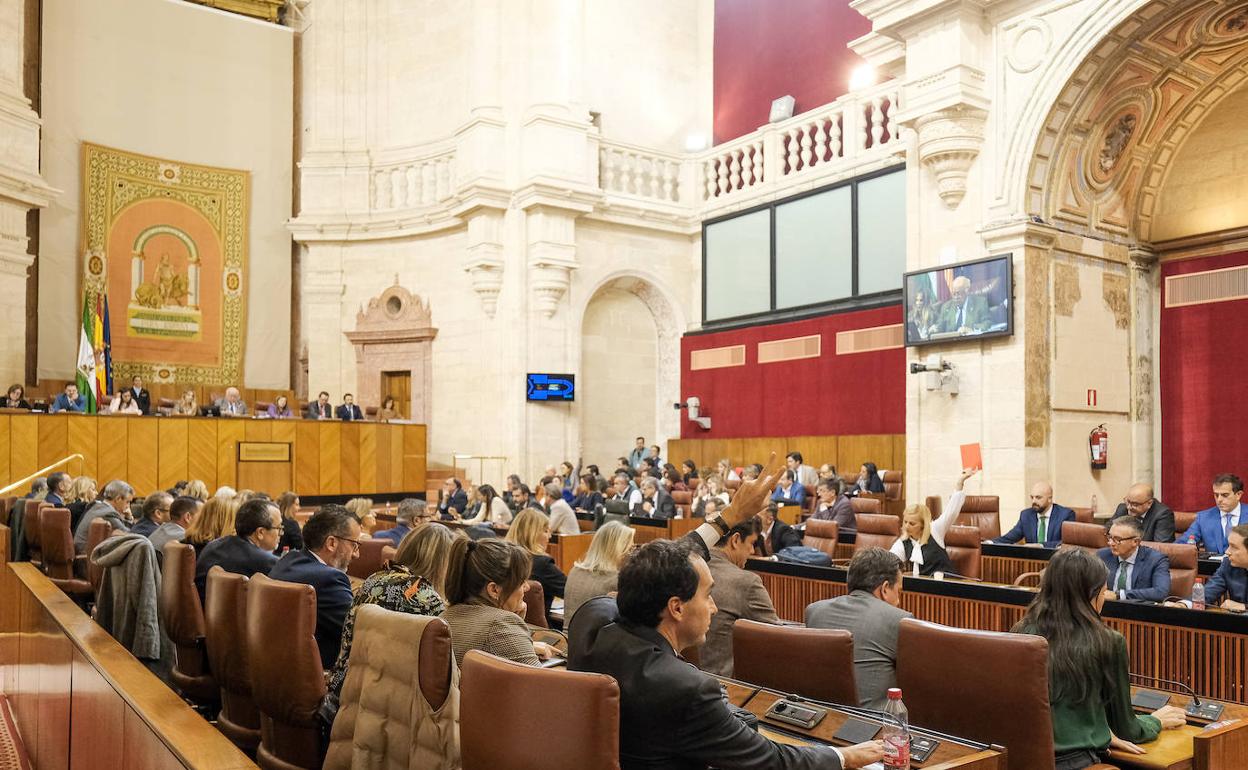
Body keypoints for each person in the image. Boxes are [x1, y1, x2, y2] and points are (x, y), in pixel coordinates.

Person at [568, 541, 884, 769]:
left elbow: (642, 575)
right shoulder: (686, 688)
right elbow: (771, 761)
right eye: (708, 596)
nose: (714, 607)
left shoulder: (591, 620)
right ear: (676, 607)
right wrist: (845, 756)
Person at [1012, 548, 1186, 768]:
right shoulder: (1108, 641)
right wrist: (1155, 720)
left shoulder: (1021, 631)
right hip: (1074, 762)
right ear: (1092, 595)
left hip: (1022, 758)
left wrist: (1099, 727)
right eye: (1104, 592)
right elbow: (1126, 728)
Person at [327, 522, 458, 696]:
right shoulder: (427, 599)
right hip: (396, 703)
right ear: (443, 564)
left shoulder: (373, 580)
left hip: (348, 689)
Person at [806, 547, 912, 709]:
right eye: (898, 591)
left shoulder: (814, 611)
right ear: (884, 589)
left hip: (821, 719)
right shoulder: (899, 620)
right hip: (872, 728)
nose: (898, 601)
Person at [269, 505, 362, 668]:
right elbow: (359, 631)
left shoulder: (287, 560)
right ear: (331, 543)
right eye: (354, 545)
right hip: (321, 676)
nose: (356, 554)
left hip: (277, 670)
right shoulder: (330, 579)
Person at [441, 537, 548, 667]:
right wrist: (513, 624)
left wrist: (518, 629)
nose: (527, 587)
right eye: (521, 582)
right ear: (494, 590)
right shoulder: (500, 625)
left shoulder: (445, 616)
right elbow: (541, 684)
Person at [702, 516, 780, 677]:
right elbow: (778, 640)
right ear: (735, 540)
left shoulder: (688, 567)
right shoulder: (746, 582)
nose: (752, 551)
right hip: (724, 688)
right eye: (751, 543)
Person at [193, 497, 281, 600]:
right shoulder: (265, 562)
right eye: (279, 528)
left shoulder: (214, 545)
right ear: (260, 532)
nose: (281, 533)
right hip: (229, 615)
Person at [892, 469, 975, 576]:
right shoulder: (903, 542)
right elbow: (889, 561)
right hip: (923, 588)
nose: (907, 526)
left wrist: (960, 482)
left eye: (912, 523)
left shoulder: (934, 530)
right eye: (905, 522)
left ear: (923, 524)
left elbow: (951, 512)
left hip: (947, 584)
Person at [564, 521, 634, 624]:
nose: (631, 555)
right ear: (619, 550)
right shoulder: (616, 580)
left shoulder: (574, 571)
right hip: (596, 639)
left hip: (566, 637)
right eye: (630, 549)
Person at [505, 508, 565, 625]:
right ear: (533, 533)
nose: (550, 536)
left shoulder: (502, 557)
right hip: (540, 634)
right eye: (546, 531)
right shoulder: (543, 564)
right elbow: (570, 590)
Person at [1096, 516, 1170, 603]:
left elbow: (1160, 592)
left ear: (1135, 542)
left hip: (1138, 611)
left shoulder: (1156, 560)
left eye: (1117, 539)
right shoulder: (1102, 556)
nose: (1110, 543)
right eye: (1110, 537)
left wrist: (1119, 595)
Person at [995, 481, 1075, 548]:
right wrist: (990, 543)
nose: (1034, 501)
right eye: (1032, 497)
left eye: (1038, 497)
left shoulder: (1065, 515)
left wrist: (1041, 545)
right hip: (1032, 562)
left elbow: (1067, 543)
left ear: (1050, 499)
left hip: (1056, 561)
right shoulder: (1026, 515)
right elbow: (1010, 537)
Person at [1184, 473, 1247, 556]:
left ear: (1238, 495)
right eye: (1216, 495)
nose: (1219, 500)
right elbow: (1180, 546)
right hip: (1213, 567)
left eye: (1225, 495)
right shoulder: (1203, 518)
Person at [73, 480, 134, 552]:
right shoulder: (108, 513)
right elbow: (130, 535)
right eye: (127, 502)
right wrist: (129, 518)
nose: (128, 506)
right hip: (85, 556)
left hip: (83, 552)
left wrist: (127, 518)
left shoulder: (98, 506)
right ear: (118, 499)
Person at [1201, 524, 1248, 610]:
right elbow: (1207, 593)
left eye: (1234, 547)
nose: (1227, 552)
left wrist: (1245, 607)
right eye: (1229, 546)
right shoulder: (1228, 564)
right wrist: (1184, 605)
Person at [1109, 483, 1175, 543]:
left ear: (1149, 503)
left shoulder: (1163, 514)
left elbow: (1160, 546)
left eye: (1135, 504)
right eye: (1127, 501)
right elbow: (1107, 531)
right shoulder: (1122, 509)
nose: (1129, 507)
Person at [274, 491, 304, 555]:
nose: (299, 508)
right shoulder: (292, 524)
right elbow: (300, 546)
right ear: (289, 505)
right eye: (296, 504)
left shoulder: (273, 521)